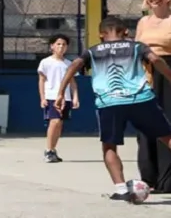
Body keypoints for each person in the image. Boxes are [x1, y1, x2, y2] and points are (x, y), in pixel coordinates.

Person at [55, 16, 171, 203]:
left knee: (110, 146)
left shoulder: (92, 51)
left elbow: (75, 65)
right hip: (140, 99)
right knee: (167, 136)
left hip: (110, 102)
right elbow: (155, 58)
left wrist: (61, 92)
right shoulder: (136, 46)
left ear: (100, 34)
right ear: (126, 32)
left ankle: (120, 189)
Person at [134, 0, 171, 193]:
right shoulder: (143, 22)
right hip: (145, 75)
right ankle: (148, 179)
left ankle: (169, 179)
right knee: (145, 127)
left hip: (168, 73)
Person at [37, 34, 79, 163]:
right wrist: (43, 98)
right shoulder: (46, 62)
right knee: (54, 122)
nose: (61, 47)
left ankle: (53, 150)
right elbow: (41, 80)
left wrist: (75, 97)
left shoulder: (69, 64)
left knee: (59, 124)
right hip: (51, 97)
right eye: (58, 44)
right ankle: (48, 150)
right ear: (52, 46)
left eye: (64, 44)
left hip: (65, 98)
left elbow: (72, 82)